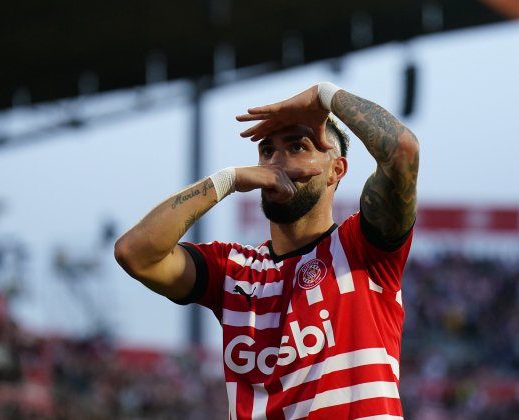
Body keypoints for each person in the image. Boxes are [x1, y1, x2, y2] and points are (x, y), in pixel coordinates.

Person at [114, 82, 419, 419]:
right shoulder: (232, 269)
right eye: (267, 151)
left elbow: (402, 151)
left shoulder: (361, 248)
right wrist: (228, 179)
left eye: (298, 146)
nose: (277, 161)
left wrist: (325, 96)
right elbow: (134, 253)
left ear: (337, 170)